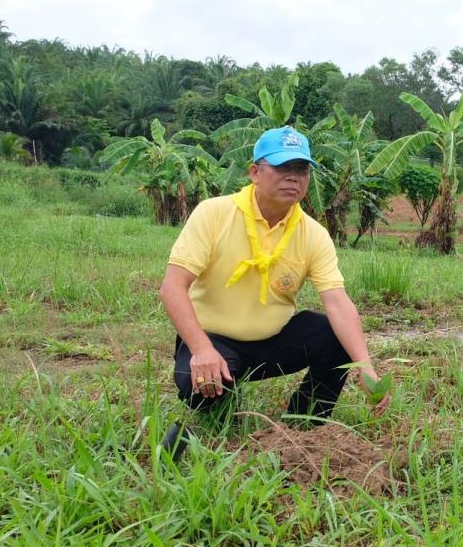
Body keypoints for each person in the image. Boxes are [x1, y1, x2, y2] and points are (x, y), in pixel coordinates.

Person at [158, 127, 390, 456]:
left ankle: (305, 425)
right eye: (282, 168)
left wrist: (364, 367)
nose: (293, 178)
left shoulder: (313, 234)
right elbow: (172, 287)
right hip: (214, 342)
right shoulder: (214, 213)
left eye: (301, 170)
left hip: (273, 341)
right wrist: (200, 349)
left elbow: (338, 302)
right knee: (201, 390)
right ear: (255, 172)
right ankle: (222, 409)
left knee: (334, 335)